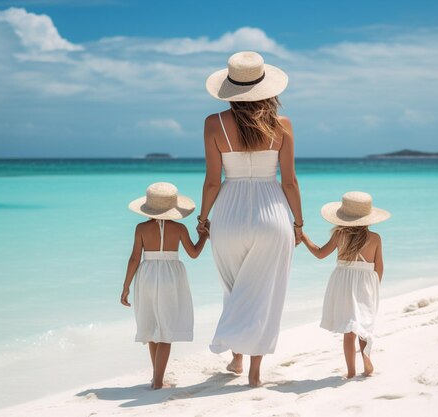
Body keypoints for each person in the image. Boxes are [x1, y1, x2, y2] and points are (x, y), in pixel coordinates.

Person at [198, 51, 303, 387]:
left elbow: (213, 180)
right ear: (267, 88)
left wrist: (202, 218)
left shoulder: (213, 124)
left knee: (235, 287)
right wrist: (299, 224)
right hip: (272, 212)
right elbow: (289, 181)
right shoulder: (282, 126)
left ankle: (236, 358)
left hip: (228, 212)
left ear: (229, 89)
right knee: (264, 292)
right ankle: (254, 371)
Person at [121, 182, 207, 389]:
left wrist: (126, 287)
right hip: (171, 276)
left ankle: (156, 377)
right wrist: (204, 236)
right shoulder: (179, 228)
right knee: (166, 329)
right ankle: (158, 381)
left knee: (151, 326)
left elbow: (134, 259)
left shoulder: (141, 228)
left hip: (147, 274)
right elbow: (194, 254)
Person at [301, 191, 390, 378]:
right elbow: (379, 267)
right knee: (363, 324)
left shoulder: (340, 235)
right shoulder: (375, 238)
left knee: (349, 329)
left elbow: (319, 253)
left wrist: (303, 237)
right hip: (366, 284)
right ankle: (366, 360)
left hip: (342, 284)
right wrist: (375, 288)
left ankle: (350, 372)